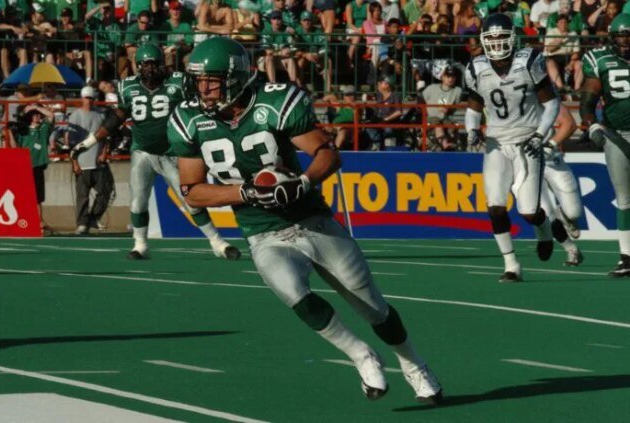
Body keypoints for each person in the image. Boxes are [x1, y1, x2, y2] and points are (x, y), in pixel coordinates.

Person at [167, 37, 443, 403]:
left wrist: (301, 182)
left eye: (212, 81)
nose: (203, 89)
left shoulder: (273, 103)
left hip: (312, 219)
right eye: (199, 80)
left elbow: (327, 154)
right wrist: (245, 193)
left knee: (373, 308)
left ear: (235, 79)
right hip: (263, 232)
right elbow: (192, 191)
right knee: (292, 293)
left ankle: (413, 364)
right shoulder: (189, 120)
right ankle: (361, 355)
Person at [71, 43, 240, 261]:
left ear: (163, 64)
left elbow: (201, 103)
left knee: (190, 199)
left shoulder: (178, 82)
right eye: (146, 64)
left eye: (155, 64)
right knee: (138, 202)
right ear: (138, 66)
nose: (150, 68)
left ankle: (217, 242)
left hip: (172, 152)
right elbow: (118, 116)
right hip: (142, 152)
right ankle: (140, 245)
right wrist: (90, 141)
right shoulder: (128, 87)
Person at [464, 13, 560, 282]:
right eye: (491, 38)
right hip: (496, 142)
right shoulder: (476, 68)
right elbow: (473, 109)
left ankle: (544, 229)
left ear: (513, 38)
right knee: (495, 205)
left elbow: (552, 103)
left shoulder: (528, 61)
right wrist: (472, 130)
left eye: (501, 38)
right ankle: (511, 265)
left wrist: (540, 134)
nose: (496, 43)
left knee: (528, 211)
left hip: (527, 140)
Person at [580, 13, 630, 277]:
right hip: (617, 134)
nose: (625, 42)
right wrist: (592, 125)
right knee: (624, 198)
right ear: (612, 37)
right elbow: (588, 100)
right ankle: (627, 256)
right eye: (621, 36)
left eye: (629, 37)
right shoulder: (600, 60)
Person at [539, 104, 584, 266]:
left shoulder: (544, 98)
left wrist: (550, 144)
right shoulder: (507, 99)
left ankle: (564, 215)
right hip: (526, 164)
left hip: (551, 160)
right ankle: (571, 249)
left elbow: (569, 124)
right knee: (545, 214)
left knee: (573, 213)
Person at [67, 86, 114, 235]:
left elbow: (106, 137)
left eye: (91, 98)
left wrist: (104, 153)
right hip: (82, 163)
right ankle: (82, 224)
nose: (89, 101)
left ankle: (93, 218)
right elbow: (72, 144)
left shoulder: (100, 115)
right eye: (87, 98)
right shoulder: (75, 116)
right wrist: (75, 163)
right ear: (82, 98)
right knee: (82, 196)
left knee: (106, 191)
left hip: (98, 163)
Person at [10, 103, 55, 233]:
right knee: (22, 196)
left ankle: (39, 222)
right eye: (33, 115)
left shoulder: (43, 128)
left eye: (38, 114)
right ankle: (22, 222)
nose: (36, 116)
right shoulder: (23, 130)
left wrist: (36, 107)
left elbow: (51, 116)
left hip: (37, 166)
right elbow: (15, 148)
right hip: (24, 166)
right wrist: (10, 133)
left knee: (37, 197)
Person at [422, 62, 462, 151]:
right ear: (442, 77)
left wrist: (449, 109)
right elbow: (421, 99)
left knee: (452, 126)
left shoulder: (457, 91)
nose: (451, 79)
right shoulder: (431, 88)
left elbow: (455, 107)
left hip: (446, 119)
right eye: (448, 76)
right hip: (430, 118)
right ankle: (445, 146)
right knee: (437, 122)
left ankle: (451, 146)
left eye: (453, 76)